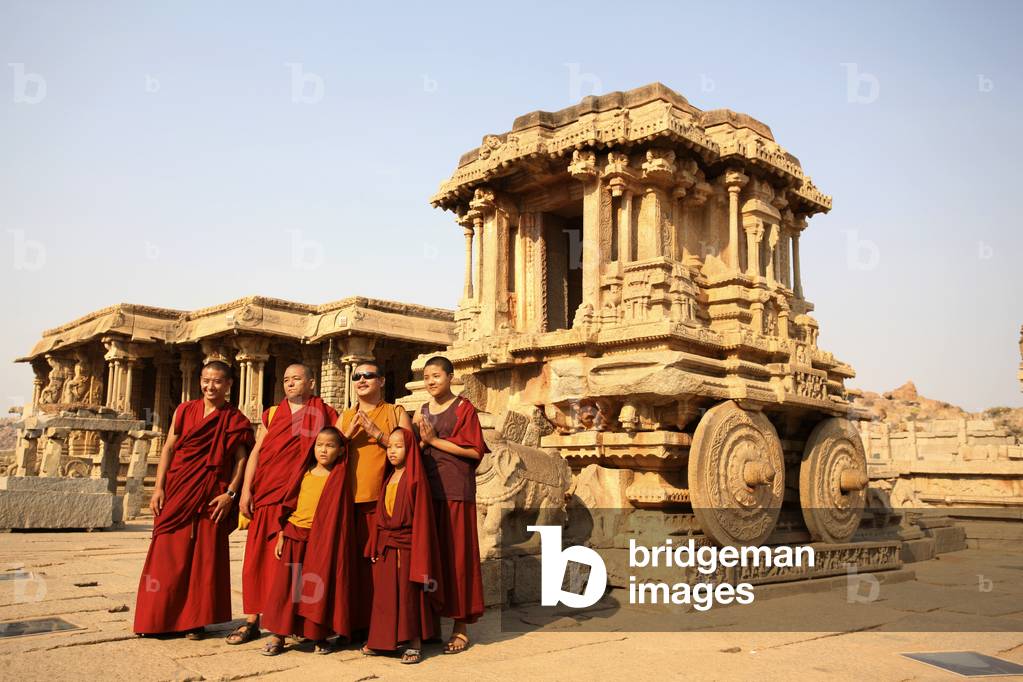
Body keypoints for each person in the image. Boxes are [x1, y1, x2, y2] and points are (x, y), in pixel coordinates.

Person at [134, 361, 255, 639]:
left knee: (204, 555)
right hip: (178, 489)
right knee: (166, 552)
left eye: (216, 381)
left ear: (228, 385)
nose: (209, 386)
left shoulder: (233, 419)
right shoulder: (185, 410)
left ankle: (195, 620)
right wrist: (158, 487)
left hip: (213, 494)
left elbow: (241, 459)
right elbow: (169, 447)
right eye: (205, 380)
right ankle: (156, 619)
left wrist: (231, 494)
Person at [229, 364, 337, 646]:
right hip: (267, 494)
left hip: (299, 499)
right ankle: (253, 619)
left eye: (297, 379)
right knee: (256, 560)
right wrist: (245, 491)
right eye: (286, 379)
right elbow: (256, 452)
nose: (290, 384)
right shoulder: (274, 413)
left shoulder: (323, 413)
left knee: (289, 564)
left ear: (311, 382)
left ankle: (288, 622)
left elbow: (333, 452)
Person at [412, 356, 489, 654]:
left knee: (458, 558)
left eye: (437, 376)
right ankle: (429, 624)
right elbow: (419, 447)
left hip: (456, 491)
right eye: (427, 377)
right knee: (431, 557)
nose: (431, 381)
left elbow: (473, 450)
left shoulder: (464, 408)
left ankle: (460, 627)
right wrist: (420, 442)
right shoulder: (423, 410)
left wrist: (433, 441)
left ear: (451, 377)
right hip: (428, 491)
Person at [336, 360, 413, 633]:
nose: (361, 380)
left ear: (381, 381)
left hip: (383, 504)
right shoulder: (345, 416)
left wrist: (378, 434)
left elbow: (409, 451)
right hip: (348, 503)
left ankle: (381, 626)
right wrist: (344, 437)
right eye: (357, 376)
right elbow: (327, 455)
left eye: (369, 375)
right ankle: (351, 625)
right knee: (350, 568)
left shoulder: (395, 412)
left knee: (381, 568)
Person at [260, 426, 346, 656]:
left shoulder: (339, 477)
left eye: (330, 445)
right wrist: (281, 534)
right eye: (319, 445)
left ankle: (317, 634)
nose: (324, 450)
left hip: (322, 541)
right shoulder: (304, 472)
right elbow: (288, 505)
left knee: (315, 587)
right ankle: (278, 634)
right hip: (295, 534)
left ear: (340, 450)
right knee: (287, 587)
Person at [361, 427, 442, 664]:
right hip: (387, 544)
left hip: (407, 545)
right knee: (384, 595)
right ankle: (382, 641)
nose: (392, 451)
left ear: (411, 448)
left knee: (408, 595)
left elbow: (423, 521)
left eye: (399, 446)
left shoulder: (416, 478)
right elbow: (379, 517)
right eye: (390, 446)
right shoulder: (389, 477)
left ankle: (414, 643)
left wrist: (420, 553)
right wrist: (375, 544)